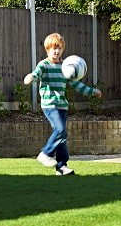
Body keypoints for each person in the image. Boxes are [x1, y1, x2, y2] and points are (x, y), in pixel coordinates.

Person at [23, 32, 101, 175]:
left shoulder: (66, 67)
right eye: (54, 48)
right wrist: (30, 77)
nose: (57, 51)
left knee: (62, 136)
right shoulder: (44, 64)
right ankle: (45, 154)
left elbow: (77, 85)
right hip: (49, 104)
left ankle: (61, 167)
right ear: (48, 49)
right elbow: (36, 73)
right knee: (60, 130)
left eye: (59, 49)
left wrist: (92, 91)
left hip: (62, 106)